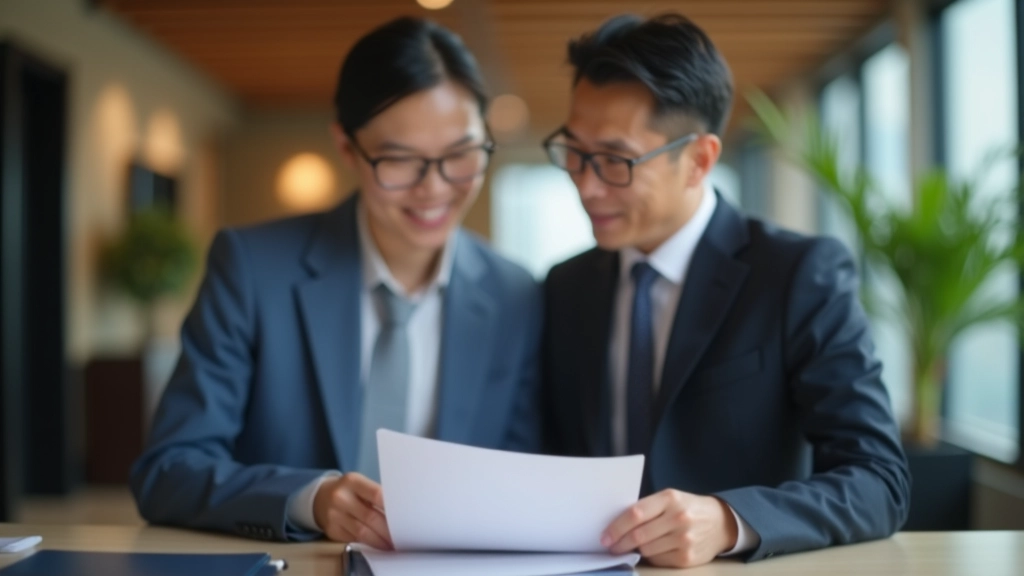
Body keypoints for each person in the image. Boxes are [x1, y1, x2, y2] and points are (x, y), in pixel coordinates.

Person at [131, 16, 542, 546]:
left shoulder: (516, 294)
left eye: (461, 156)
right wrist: (311, 499)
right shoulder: (254, 269)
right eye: (399, 160)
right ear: (347, 149)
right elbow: (168, 470)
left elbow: (527, 473)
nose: (435, 188)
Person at [541, 13, 910, 568]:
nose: (586, 184)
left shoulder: (796, 274)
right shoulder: (566, 286)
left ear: (699, 160)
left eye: (615, 161)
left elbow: (880, 481)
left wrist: (730, 520)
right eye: (574, 151)